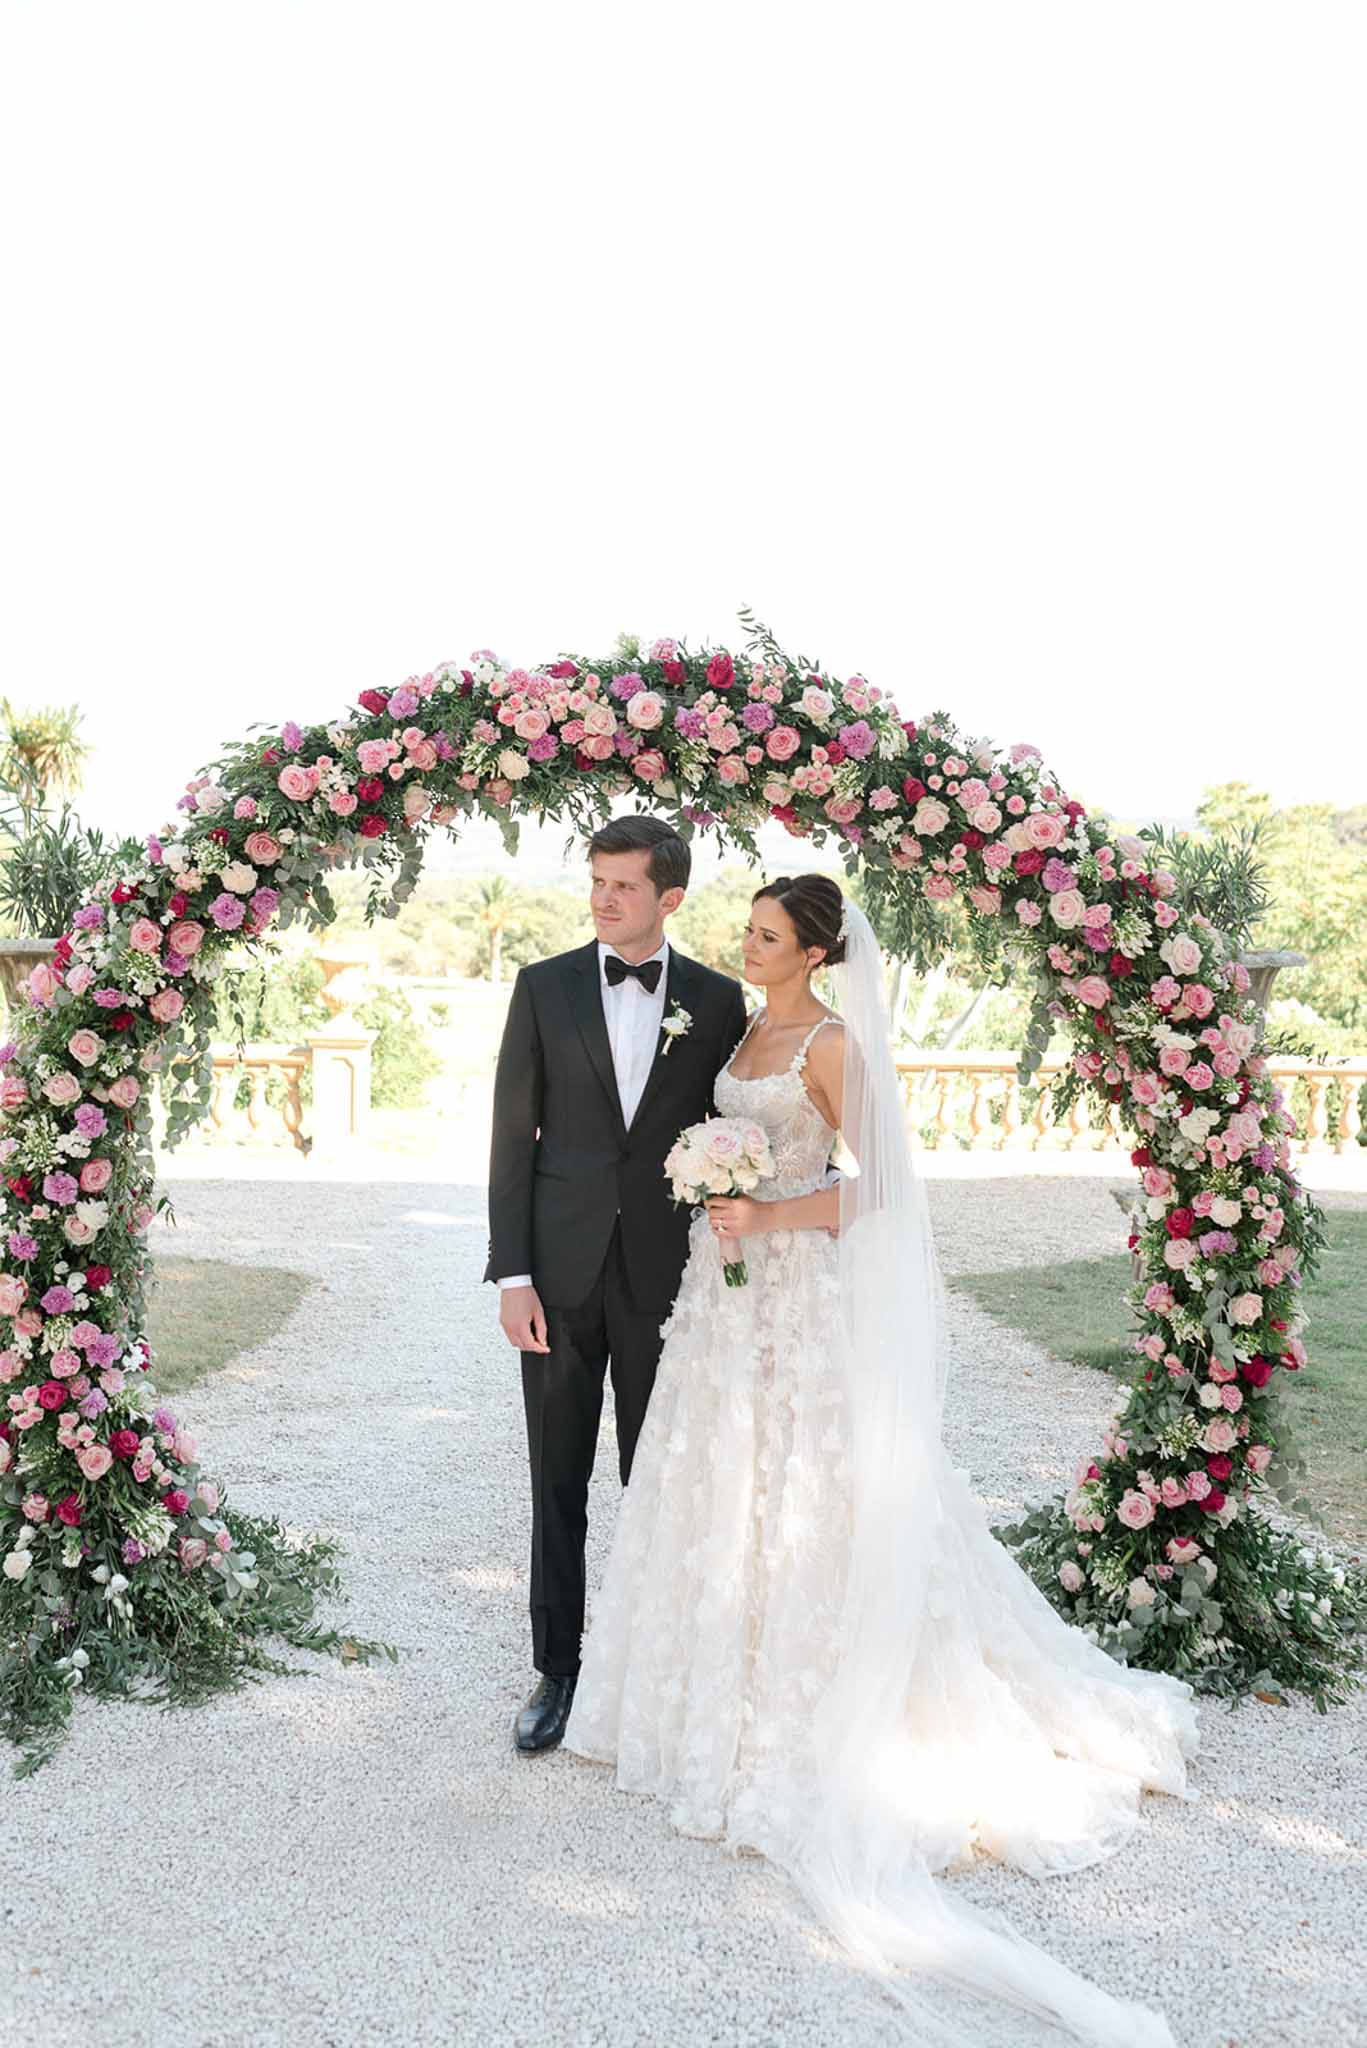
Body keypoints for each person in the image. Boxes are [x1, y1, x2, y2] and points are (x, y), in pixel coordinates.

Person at [565, 872, 1200, 2047]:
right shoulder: (749, 1022)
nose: (741, 945)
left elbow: (877, 1192)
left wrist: (767, 1215)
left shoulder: (831, 1041)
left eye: (763, 934)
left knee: (808, 1488)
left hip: (796, 1294)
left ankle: (820, 1701)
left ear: (813, 948)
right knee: (718, 1481)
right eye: (745, 930)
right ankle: (706, 1685)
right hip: (728, 1303)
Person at [486, 816, 748, 1753]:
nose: (602, 899)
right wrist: (511, 1275)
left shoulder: (719, 1003)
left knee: (656, 1479)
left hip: (665, 1281)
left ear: (669, 898)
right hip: (554, 1278)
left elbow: (741, 1131)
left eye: (623, 886)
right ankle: (557, 1671)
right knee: (555, 1477)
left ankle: (649, 1667)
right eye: (596, 881)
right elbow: (512, 1138)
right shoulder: (543, 987)